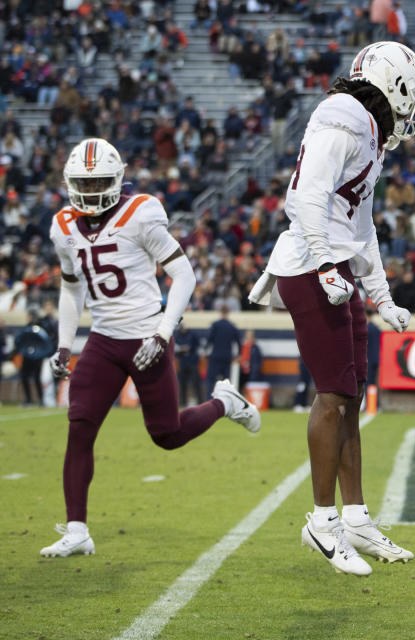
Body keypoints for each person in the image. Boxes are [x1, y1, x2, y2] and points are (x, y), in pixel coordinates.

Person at [248, 41, 415, 576]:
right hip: (310, 264)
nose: (412, 110)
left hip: (334, 265)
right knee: (332, 397)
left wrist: (383, 296)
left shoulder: (368, 131)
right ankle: (322, 522)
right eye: (411, 96)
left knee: (351, 397)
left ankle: (354, 518)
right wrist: (326, 264)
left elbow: (362, 226)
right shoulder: (344, 113)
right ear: (392, 86)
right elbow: (306, 194)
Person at [41, 138, 260, 558]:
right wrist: (64, 344)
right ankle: (76, 529)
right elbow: (71, 289)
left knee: (167, 435)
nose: (89, 193)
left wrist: (160, 333)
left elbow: (185, 275)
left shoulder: (140, 212)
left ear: (117, 178)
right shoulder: (62, 226)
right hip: (104, 341)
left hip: (146, 336)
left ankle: (225, 403)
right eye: (82, 184)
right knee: (79, 426)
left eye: (99, 182)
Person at [14, 308, 53, 406]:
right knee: (24, 376)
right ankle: (28, 399)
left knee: (37, 377)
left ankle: (40, 399)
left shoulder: (41, 326)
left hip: (38, 356)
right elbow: (21, 341)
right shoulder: (27, 328)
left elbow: (46, 341)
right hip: (27, 356)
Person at [205, 306, 241, 394]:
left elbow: (210, 340)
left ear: (221, 312)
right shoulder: (232, 326)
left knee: (211, 379)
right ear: (228, 313)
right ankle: (225, 400)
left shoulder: (215, 325)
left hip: (215, 356)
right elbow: (238, 342)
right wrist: (238, 355)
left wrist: (204, 351)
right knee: (226, 381)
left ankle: (210, 399)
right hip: (227, 356)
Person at [174, 321, 203, 406]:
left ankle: (200, 402)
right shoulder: (177, 335)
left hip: (192, 362)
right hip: (182, 362)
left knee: (196, 383)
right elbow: (174, 349)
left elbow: (198, 347)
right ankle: (183, 403)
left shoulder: (192, 334)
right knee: (182, 383)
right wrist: (180, 349)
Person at [366, 306, 381, 388]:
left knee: (368, 384)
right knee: (373, 384)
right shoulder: (377, 328)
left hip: (368, 359)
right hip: (376, 358)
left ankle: (368, 400)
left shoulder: (366, 329)